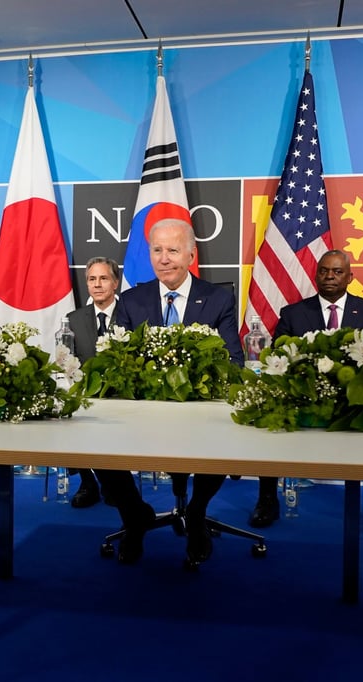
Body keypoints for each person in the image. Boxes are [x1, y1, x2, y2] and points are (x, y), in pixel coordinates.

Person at [96, 218, 244, 565]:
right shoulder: (131, 301)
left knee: (222, 438)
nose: (164, 258)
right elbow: (116, 362)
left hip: (200, 412)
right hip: (141, 412)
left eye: (173, 250)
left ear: (191, 255)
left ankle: (196, 513)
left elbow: (234, 360)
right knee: (97, 443)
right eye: (157, 250)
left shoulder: (218, 299)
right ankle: (134, 515)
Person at [249, 250, 363, 535]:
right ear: (316, 275)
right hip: (304, 396)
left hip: (356, 399)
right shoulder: (293, 313)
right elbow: (279, 359)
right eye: (324, 271)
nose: (329, 276)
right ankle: (267, 500)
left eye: (337, 272)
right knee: (272, 417)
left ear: (350, 277)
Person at [64, 256, 121, 508]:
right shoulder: (74, 318)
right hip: (87, 394)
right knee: (68, 415)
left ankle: (115, 483)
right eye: (91, 279)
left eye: (103, 278)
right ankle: (88, 482)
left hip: (122, 395)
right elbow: (68, 360)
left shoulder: (131, 313)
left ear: (115, 283)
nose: (97, 284)